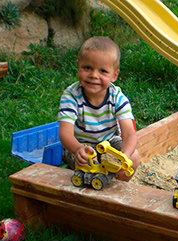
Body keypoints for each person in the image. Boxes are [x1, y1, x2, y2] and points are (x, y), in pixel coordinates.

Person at [58, 36, 140, 182]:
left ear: (114, 75)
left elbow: (129, 134)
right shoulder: (71, 96)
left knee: (133, 157)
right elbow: (65, 132)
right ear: (78, 66)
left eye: (103, 71)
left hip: (108, 143)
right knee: (89, 163)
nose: (94, 75)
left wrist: (125, 155)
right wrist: (77, 149)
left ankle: (115, 186)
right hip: (81, 145)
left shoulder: (117, 98)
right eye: (87, 68)